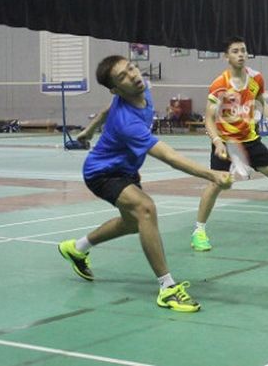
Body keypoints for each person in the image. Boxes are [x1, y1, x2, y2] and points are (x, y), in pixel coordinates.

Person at [58, 55, 232, 313]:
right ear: (116, 88)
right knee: (146, 209)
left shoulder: (142, 88)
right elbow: (169, 156)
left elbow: (107, 109)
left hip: (126, 170)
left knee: (132, 222)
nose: (133, 75)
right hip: (102, 173)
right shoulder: (127, 123)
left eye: (131, 68)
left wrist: (90, 129)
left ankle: (77, 248)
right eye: (123, 77)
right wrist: (212, 175)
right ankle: (167, 288)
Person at [191, 36, 268, 251]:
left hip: (250, 141)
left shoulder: (256, 78)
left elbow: (261, 103)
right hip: (225, 142)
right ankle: (199, 231)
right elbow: (208, 119)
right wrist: (216, 141)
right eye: (235, 51)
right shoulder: (219, 85)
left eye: (243, 50)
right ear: (226, 56)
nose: (241, 54)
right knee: (216, 185)